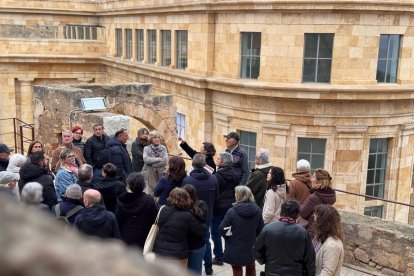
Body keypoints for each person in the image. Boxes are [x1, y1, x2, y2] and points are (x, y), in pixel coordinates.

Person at [253, 199, 316, 276]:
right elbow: (310, 260)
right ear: (297, 214)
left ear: (281, 212)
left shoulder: (268, 229)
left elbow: (256, 251)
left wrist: (265, 260)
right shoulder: (303, 233)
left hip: (272, 272)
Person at [182, 153, 219, 275]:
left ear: (193, 164)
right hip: (207, 214)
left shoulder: (187, 180)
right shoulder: (213, 178)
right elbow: (216, 198)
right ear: (204, 164)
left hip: (190, 214)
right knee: (206, 239)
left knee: (190, 240)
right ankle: (208, 267)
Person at [153, 187, 206, 267]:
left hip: (160, 252)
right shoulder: (187, 215)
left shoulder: (162, 209)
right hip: (178, 255)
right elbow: (201, 229)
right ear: (186, 199)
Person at [219, 186, 264, 276]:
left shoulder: (231, 211)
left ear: (240, 196)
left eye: (236, 193)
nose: (235, 195)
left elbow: (222, 228)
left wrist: (229, 237)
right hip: (251, 245)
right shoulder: (258, 210)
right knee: (251, 267)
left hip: (235, 246)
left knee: (237, 269)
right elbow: (261, 230)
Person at [116, 172, 158, 248]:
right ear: (143, 186)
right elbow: (154, 218)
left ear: (128, 185)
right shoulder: (148, 200)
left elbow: (118, 220)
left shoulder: (121, 200)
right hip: (143, 235)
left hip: (125, 235)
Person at [211, 152, 238, 266]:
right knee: (228, 231)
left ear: (222, 162)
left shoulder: (217, 176)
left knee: (216, 232)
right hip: (230, 207)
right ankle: (229, 255)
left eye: (218, 159)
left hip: (218, 208)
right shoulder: (235, 175)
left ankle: (219, 257)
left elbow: (214, 192)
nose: (216, 160)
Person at [300, 169, 336, 239]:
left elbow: (303, 213)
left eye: (313, 177)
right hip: (325, 228)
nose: (311, 179)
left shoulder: (314, 197)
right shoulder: (331, 195)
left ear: (318, 181)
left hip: (312, 229)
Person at [183, 184, 208, 275]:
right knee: (196, 271)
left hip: (184, 246)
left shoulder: (182, 208)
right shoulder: (202, 205)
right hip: (198, 244)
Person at [314, 204, 344, 276]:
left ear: (322, 222)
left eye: (316, 218)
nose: (314, 220)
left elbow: (327, 272)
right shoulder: (320, 237)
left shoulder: (332, 246)